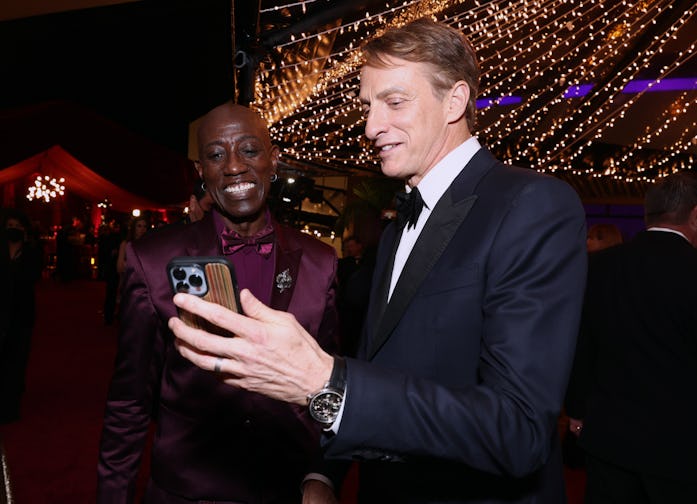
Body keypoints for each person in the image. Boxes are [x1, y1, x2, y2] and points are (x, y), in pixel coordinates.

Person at [169, 18, 588, 504]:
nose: (371, 126)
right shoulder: (395, 231)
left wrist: (321, 379)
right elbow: (376, 366)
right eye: (369, 106)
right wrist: (325, 472)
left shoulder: (531, 205)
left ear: (454, 101)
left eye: (395, 101)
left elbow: (518, 431)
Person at [97, 102, 339, 503]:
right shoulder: (154, 259)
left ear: (272, 159)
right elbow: (130, 400)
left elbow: (331, 389)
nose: (233, 167)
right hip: (187, 492)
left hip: (283, 488)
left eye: (248, 150)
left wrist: (324, 474)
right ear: (201, 172)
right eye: (215, 155)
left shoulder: (320, 261)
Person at [564, 171, 697, 503]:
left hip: (608, 437)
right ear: (695, 216)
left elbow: (580, 343)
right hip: (680, 445)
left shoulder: (599, 267)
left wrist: (577, 410)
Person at [0, 208, 43, 423]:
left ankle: (11, 407)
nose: (13, 230)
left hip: (22, 314)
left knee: (17, 361)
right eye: (10, 227)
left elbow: (33, 277)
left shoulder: (32, 252)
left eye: (17, 227)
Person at [336, 235, 375, 357]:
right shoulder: (344, 264)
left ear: (360, 246)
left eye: (351, 246)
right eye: (347, 247)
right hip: (346, 309)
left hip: (362, 310)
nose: (349, 249)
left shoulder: (370, 263)